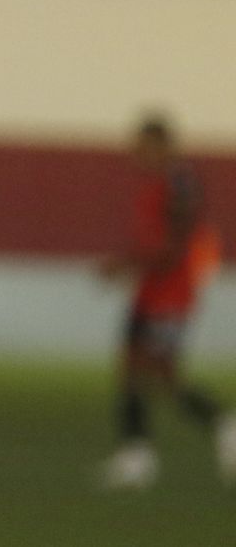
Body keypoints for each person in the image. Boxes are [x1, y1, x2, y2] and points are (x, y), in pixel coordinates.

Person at [99, 114, 236, 488]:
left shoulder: (180, 183)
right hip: (150, 290)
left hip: (171, 294)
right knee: (134, 370)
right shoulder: (155, 185)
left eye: (143, 146)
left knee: (160, 375)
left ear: (162, 146)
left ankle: (222, 423)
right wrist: (129, 263)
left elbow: (174, 245)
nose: (137, 154)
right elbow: (150, 239)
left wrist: (125, 264)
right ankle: (136, 455)